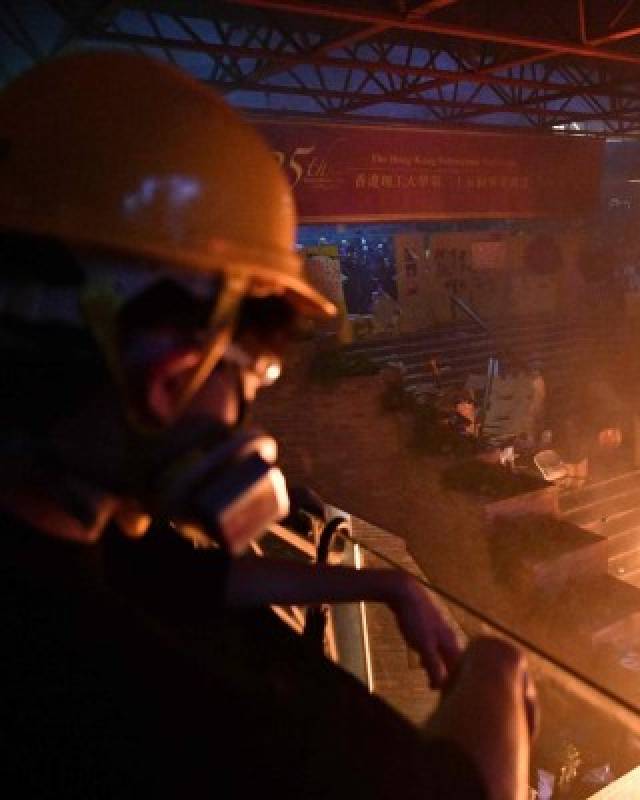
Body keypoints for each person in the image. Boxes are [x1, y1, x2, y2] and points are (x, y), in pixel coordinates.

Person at [0, 52, 531, 798]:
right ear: (170, 375)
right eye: (250, 377)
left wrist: (383, 585)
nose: (244, 417)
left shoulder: (65, 538)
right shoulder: (201, 723)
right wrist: (500, 671)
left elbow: (177, 573)